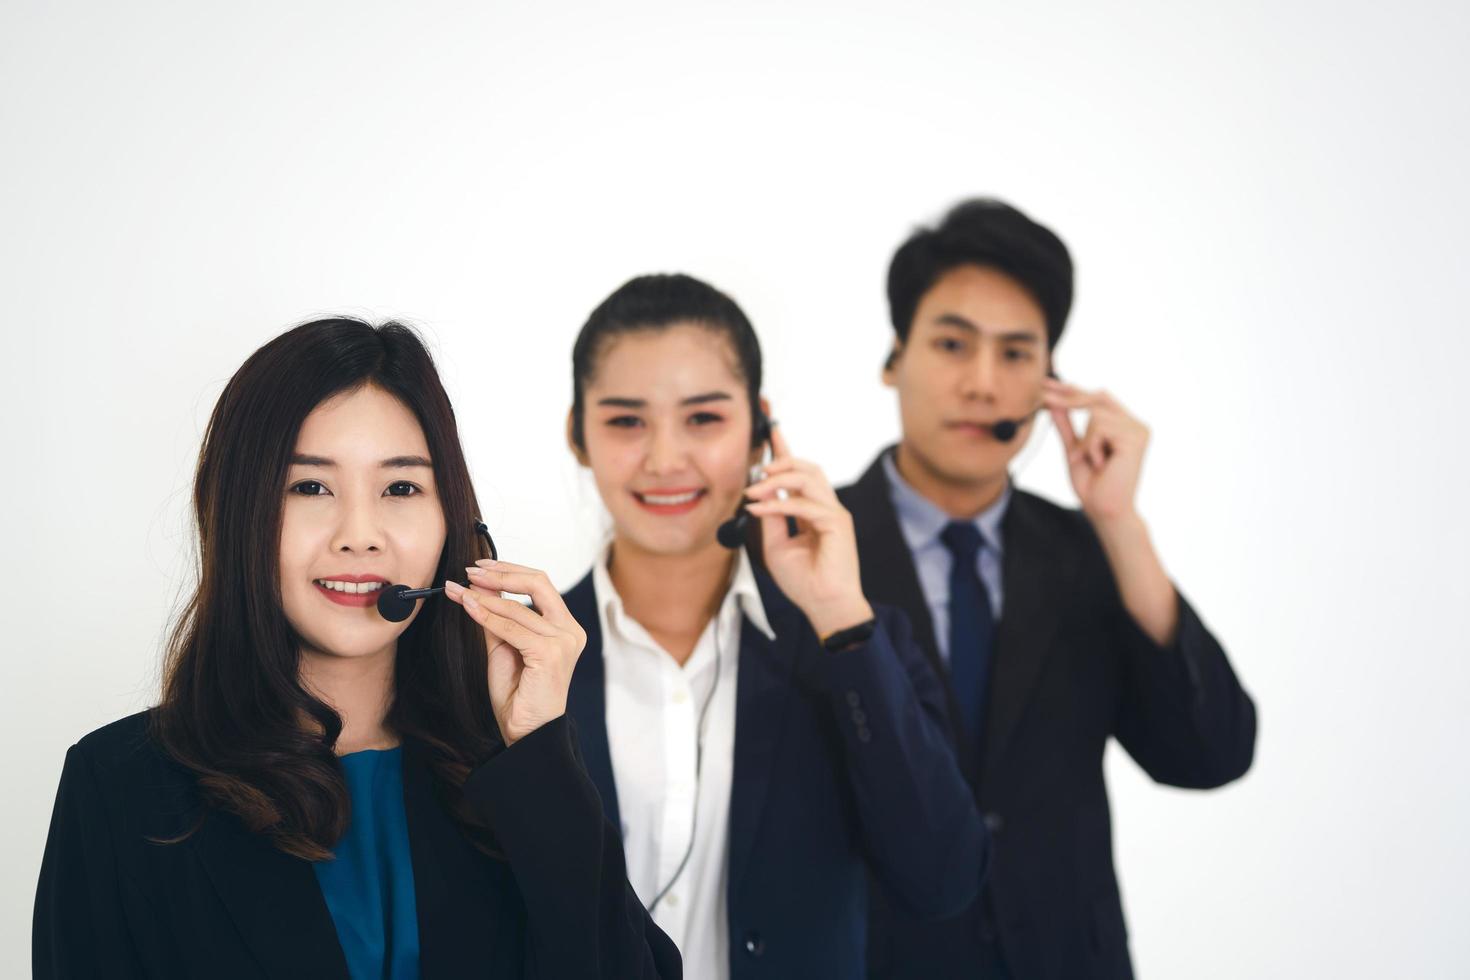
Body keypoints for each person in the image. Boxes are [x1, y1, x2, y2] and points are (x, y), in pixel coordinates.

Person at [33, 318, 681, 979]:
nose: (360, 535)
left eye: (401, 488)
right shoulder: (116, 788)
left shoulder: (520, 778)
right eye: (310, 487)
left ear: (456, 529)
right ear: (237, 514)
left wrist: (539, 749)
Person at [838, 199, 1258, 980]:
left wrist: (1118, 522)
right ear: (895, 358)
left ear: (1050, 383)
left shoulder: (1088, 552)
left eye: (1016, 354)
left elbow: (1210, 751)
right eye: (952, 345)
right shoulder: (809, 550)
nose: (983, 384)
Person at [560, 274, 988, 979]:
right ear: (578, 433)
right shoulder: (512, 660)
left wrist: (839, 618)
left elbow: (943, 879)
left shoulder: (849, 645)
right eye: (626, 420)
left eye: (703, 418)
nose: (665, 459)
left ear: (762, 430)